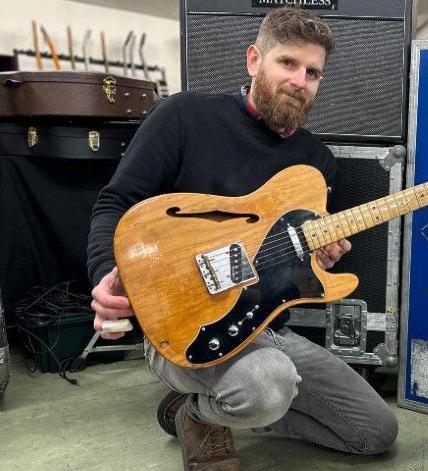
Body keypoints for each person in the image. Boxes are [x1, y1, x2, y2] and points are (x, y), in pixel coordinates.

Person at [86, 6, 398, 470]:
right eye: (287, 63)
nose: (300, 80)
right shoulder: (184, 115)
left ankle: (211, 410)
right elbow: (117, 202)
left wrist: (319, 258)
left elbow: (287, 264)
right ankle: (212, 411)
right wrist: (105, 276)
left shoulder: (315, 161)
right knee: (267, 382)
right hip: (181, 320)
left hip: (263, 322)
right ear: (254, 60)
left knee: (375, 433)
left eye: (313, 73)